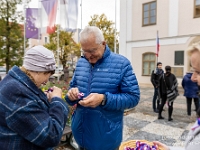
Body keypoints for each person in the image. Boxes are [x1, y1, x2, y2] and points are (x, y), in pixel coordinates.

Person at [65, 26, 140, 150]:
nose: (88, 56)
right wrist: (70, 95)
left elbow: (133, 97)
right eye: (85, 51)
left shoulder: (122, 64)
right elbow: (72, 89)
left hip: (106, 141)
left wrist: (104, 99)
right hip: (80, 136)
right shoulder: (81, 63)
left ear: (103, 44)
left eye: (92, 50)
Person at [0, 45, 69, 149]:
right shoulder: (17, 93)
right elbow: (51, 136)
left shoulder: (15, 83)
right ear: (38, 70)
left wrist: (41, 100)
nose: (46, 81)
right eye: (47, 75)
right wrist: (57, 100)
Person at [153, 43, 200, 150]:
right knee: (170, 105)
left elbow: (163, 85)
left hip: (164, 94)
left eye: (197, 71)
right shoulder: (170, 76)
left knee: (162, 104)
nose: (193, 78)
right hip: (169, 95)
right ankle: (168, 116)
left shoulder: (162, 76)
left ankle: (161, 115)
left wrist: (160, 93)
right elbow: (175, 84)